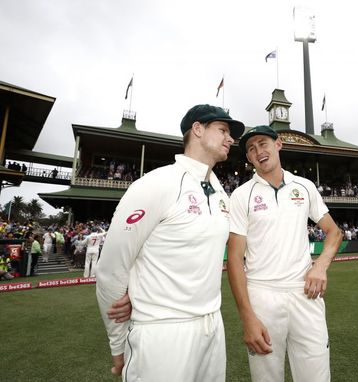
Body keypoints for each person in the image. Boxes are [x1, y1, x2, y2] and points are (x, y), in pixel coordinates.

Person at [95, 104, 244, 381]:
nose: (230, 139)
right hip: (162, 331)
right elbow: (111, 269)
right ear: (197, 129)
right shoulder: (155, 184)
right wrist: (117, 343)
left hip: (213, 327)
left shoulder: (222, 192)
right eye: (223, 130)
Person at [227, 125, 343, 382]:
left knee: (316, 376)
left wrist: (320, 265)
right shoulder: (240, 196)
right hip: (262, 297)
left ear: (279, 144)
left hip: (306, 294)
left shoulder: (304, 187)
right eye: (251, 148)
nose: (258, 151)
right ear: (248, 158)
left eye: (263, 143)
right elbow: (234, 259)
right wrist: (247, 318)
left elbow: (334, 233)